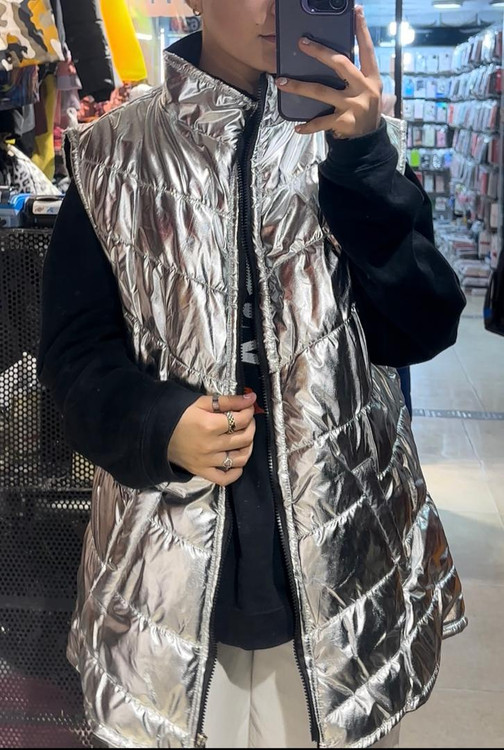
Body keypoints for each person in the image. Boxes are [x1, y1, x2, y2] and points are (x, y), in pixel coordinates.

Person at [37, 2, 468, 748]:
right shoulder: (111, 152)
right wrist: (156, 423)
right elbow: (71, 355)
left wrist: (365, 165)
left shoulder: (356, 139)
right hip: (166, 570)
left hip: (342, 555)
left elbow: (420, 329)